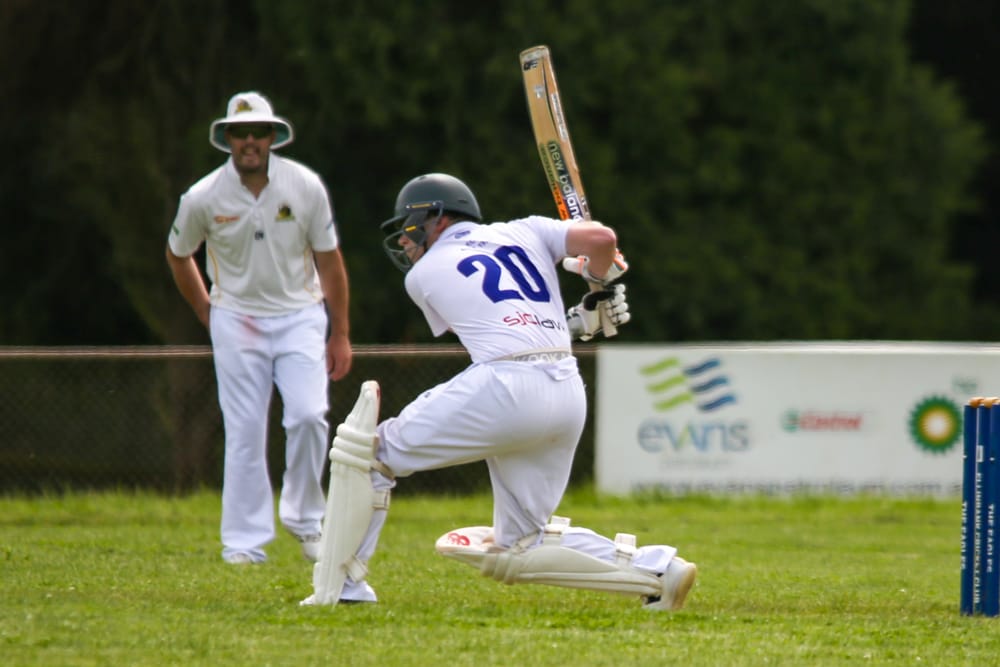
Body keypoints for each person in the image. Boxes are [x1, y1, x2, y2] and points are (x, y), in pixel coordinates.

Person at [302, 173, 696, 609]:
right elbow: (601, 239)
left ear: (436, 218)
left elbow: (494, 329)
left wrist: (584, 300)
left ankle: (344, 590)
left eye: (410, 228)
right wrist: (595, 283)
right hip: (566, 388)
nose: (406, 244)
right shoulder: (525, 229)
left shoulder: (424, 276)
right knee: (522, 541)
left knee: (369, 455)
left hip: (506, 386)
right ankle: (657, 568)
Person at [165, 91, 352, 565]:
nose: (250, 141)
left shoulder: (304, 186)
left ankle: (307, 521)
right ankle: (244, 543)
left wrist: (340, 332)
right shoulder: (203, 196)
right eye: (240, 133)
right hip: (237, 318)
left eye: (259, 132)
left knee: (309, 416)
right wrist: (207, 310)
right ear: (227, 138)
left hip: (300, 315)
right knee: (245, 429)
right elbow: (178, 254)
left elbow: (330, 263)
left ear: (273, 137)